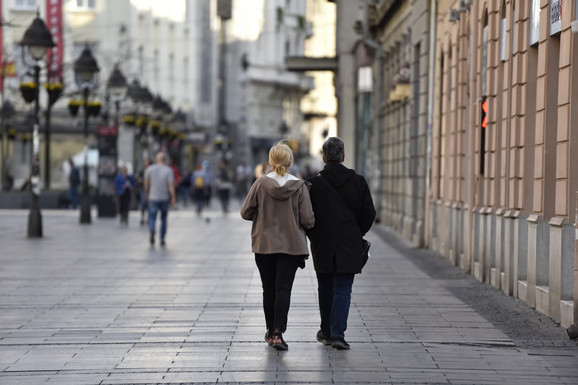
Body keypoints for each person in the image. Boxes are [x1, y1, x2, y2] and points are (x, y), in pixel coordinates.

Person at [241, 141, 315, 351]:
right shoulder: (299, 186)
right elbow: (309, 220)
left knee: (269, 289)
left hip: (264, 245)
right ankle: (277, 333)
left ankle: (269, 330)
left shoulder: (260, 183)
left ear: (271, 162)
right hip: (291, 246)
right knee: (284, 290)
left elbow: (245, 212)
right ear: (290, 161)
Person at [306, 137, 376, 350]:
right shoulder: (358, 181)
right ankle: (338, 333)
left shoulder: (312, 184)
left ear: (324, 157)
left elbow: (305, 216)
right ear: (343, 156)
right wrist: (356, 233)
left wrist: (314, 234)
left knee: (325, 286)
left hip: (321, 244)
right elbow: (369, 213)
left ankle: (326, 332)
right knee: (343, 287)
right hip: (349, 243)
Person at [144, 152, 176, 246]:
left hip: (153, 197)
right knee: (164, 219)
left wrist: (146, 193)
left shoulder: (149, 169)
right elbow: (171, 185)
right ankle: (162, 238)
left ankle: (152, 229)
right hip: (164, 197)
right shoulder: (168, 170)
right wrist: (173, 197)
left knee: (152, 217)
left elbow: (146, 182)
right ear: (164, 159)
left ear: (157, 159)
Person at [136, 159, 151, 225]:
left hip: (151, 190)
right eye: (145, 164)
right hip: (143, 189)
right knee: (143, 203)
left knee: (149, 205)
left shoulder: (152, 171)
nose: (146, 165)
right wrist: (140, 181)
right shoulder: (142, 172)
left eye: (147, 164)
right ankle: (142, 217)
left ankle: (148, 218)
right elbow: (138, 180)